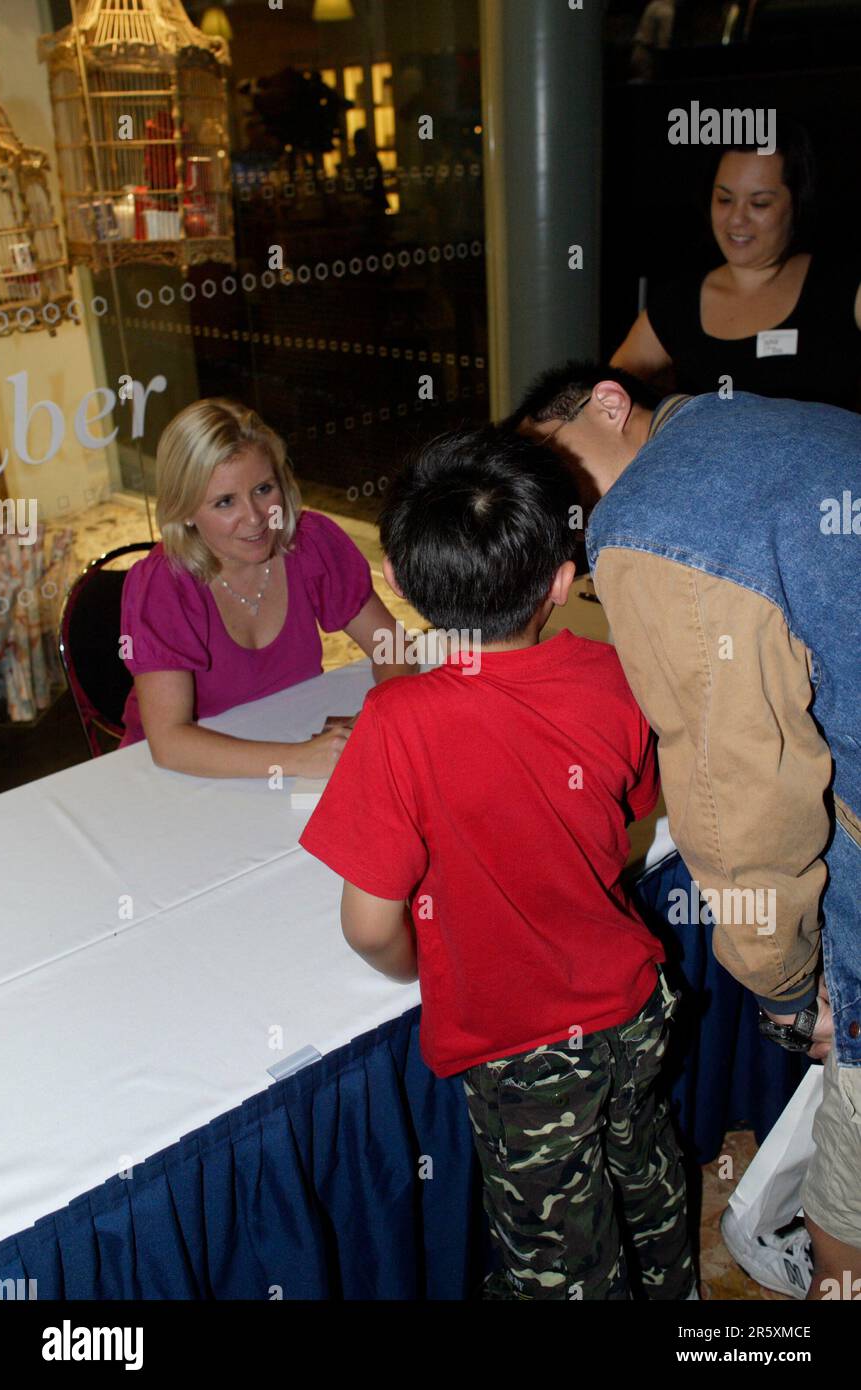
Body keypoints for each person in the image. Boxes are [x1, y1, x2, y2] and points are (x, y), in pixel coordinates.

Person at [299, 427, 696, 1301]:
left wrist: (423, 962)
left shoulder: (396, 724)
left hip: (520, 1050)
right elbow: (627, 817)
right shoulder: (612, 673)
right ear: (562, 580)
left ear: (395, 585)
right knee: (645, 1168)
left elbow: (369, 926)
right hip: (632, 1005)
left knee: (554, 1251)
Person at [515, 362, 860, 1299]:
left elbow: (737, 800)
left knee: (853, 1179)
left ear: (608, 404)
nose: (556, 506)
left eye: (555, 464)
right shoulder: (746, 421)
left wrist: (785, 987)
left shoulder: (648, 521)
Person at [119, 398, 412, 777]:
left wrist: (371, 717)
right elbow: (169, 743)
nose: (256, 518)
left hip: (286, 737)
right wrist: (300, 760)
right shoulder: (163, 584)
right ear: (185, 510)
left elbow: (393, 647)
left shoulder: (311, 544)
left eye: (263, 489)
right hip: (180, 774)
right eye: (225, 502)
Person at [611, 124, 861, 409]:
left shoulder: (843, 288)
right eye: (725, 199)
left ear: (797, 205)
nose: (736, 220)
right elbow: (604, 398)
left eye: (760, 204)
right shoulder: (675, 305)